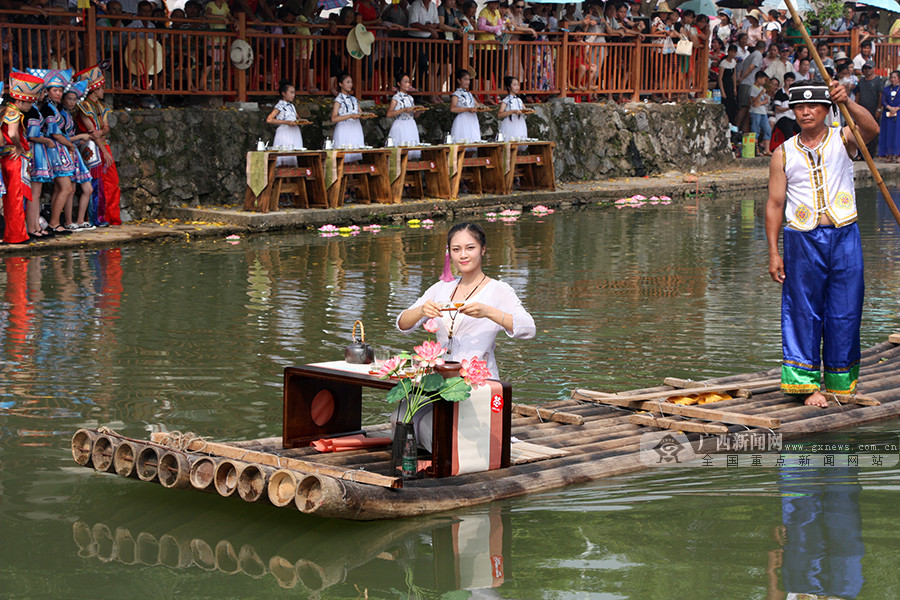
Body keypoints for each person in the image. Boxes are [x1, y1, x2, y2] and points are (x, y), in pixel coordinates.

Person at [765, 80, 878, 407]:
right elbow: (774, 204)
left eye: (813, 106)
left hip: (844, 234)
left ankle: (841, 383)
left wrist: (849, 100)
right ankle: (807, 386)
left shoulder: (843, 138)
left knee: (845, 308)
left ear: (827, 109)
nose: (805, 112)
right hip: (802, 239)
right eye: (799, 107)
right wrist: (774, 252)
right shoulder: (783, 153)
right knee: (803, 311)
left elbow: (870, 127)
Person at [395, 222, 535, 449]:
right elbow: (402, 324)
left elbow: (528, 328)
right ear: (448, 252)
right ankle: (446, 451)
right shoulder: (440, 288)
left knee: (435, 428)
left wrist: (489, 312)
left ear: (483, 249)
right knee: (399, 419)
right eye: (456, 249)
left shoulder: (499, 290)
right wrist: (421, 311)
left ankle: (458, 452)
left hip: (478, 383)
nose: (463, 255)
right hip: (439, 379)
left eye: (470, 248)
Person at [76, 64, 121, 226]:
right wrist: (105, 151)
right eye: (101, 88)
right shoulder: (83, 107)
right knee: (98, 183)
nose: (103, 91)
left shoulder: (101, 107)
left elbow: (104, 129)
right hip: (93, 149)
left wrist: (101, 133)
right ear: (95, 89)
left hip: (102, 145)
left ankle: (110, 216)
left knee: (112, 183)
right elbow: (92, 132)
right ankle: (97, 217)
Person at [1, 71, 44, 244]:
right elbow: (12, 133)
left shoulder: (7, 109)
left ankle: (14, 234)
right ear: (19, 101)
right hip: (13, 158)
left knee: (12, 198)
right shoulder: (13, 112)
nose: (31, 104)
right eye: (28, 102)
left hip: (7, 158)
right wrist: (18, 146)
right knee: (15, 198)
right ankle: (17, 236)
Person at [59, 79, 94, 231]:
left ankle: (80, 220)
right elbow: (59, 137)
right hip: (66, 152)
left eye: (74, 99)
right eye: (69, 99)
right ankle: (68, 221)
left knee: (88, 188)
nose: (72, 102)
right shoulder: (60, 114)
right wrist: (80, 137)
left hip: (74, 152)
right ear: (63, 99)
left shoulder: (68, 114)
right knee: (71, 188)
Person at [266, 80, 304, 166]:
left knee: (294, 156)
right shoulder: (280, 105)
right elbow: (269, 119)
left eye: (294, 93)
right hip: (284, 132)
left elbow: (297, 118)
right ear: (283, 93)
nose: (293, 95)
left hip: (294, 132)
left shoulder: (292, 106)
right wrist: (286, 122)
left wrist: (301, 121)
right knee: (284, 156)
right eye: (291, 93)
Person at [330, 72, 366, 163]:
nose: (350, 84)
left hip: (355, 128)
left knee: (355, 157)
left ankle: (353, 176)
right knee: (344, 158)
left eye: (351, 82)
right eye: (348, 82)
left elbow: (361, 114)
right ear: (340, 84)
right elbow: (334, 118)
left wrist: (366, 115)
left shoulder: (354, 99)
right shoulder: (338, 100)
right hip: (344, 129)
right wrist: (350, 115)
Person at [386, 72, 422, 159]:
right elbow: (389, 114)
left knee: (411, 150)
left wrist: (419, 111)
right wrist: (403, 110)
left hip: (411, 125)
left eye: (408, 82)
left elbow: (414, 115)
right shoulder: (396, 98)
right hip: (400, 125)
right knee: (401, 150)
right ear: (399, 83)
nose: (408, 84)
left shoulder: (410, 98)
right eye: (405, 82)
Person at [856, 61, 884, 156]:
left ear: (874, 68)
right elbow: (858, 95)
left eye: (869, 68)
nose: (867, 70)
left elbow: (881, 95)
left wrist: (879, 109)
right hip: (862, 109)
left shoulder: (878, 81)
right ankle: (860, 154)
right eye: (865, 68)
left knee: (873, 132)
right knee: (859, 131)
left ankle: (871, 154)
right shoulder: (861, 81)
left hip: (873, 109)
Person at [449, 68, 482, 143]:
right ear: (459, 80)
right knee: (463, 143)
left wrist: (483, 107)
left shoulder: (469, 94)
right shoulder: (456, 94)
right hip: (463, 120)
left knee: (474, 143)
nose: (468, 82)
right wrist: (468, 109)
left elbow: (477, 105)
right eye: (465, 79)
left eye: (469, 80)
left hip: (472, 119)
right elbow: (453, 109)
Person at [878, 70, 900, 162]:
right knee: (888, 133)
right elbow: (883, 101)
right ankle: (889, 155)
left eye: (895, 77)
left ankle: (898, 155)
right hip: (887, 113)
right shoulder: (887, 89)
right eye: (891, 77)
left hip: (898, 114)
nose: (892, 79)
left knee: (897, 134)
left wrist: (897, 108)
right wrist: (889, 107)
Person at [498, 75, 527, 143]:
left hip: (520, 123)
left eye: (518, 85)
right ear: (509, 87)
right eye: (514, 85)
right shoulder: (506, 100)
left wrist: (528, 112)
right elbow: (499, 114)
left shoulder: (519, 100)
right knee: (510, 144)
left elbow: (525, 111)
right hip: (510, 124)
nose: (517, 87)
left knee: (520, 144)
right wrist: (512, 112)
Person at [749, 70, 772, 155]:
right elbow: (754, 102)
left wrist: (760, 103)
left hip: (763, 112)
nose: (764, 82)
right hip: (755, 112)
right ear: (759, 79)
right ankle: (756, 150)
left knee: (768, 129)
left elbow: (766, 101)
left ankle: (767, 149)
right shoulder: (753, 88)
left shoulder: (762, 88)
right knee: (755, 130)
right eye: (763, 80)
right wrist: (760, 94)